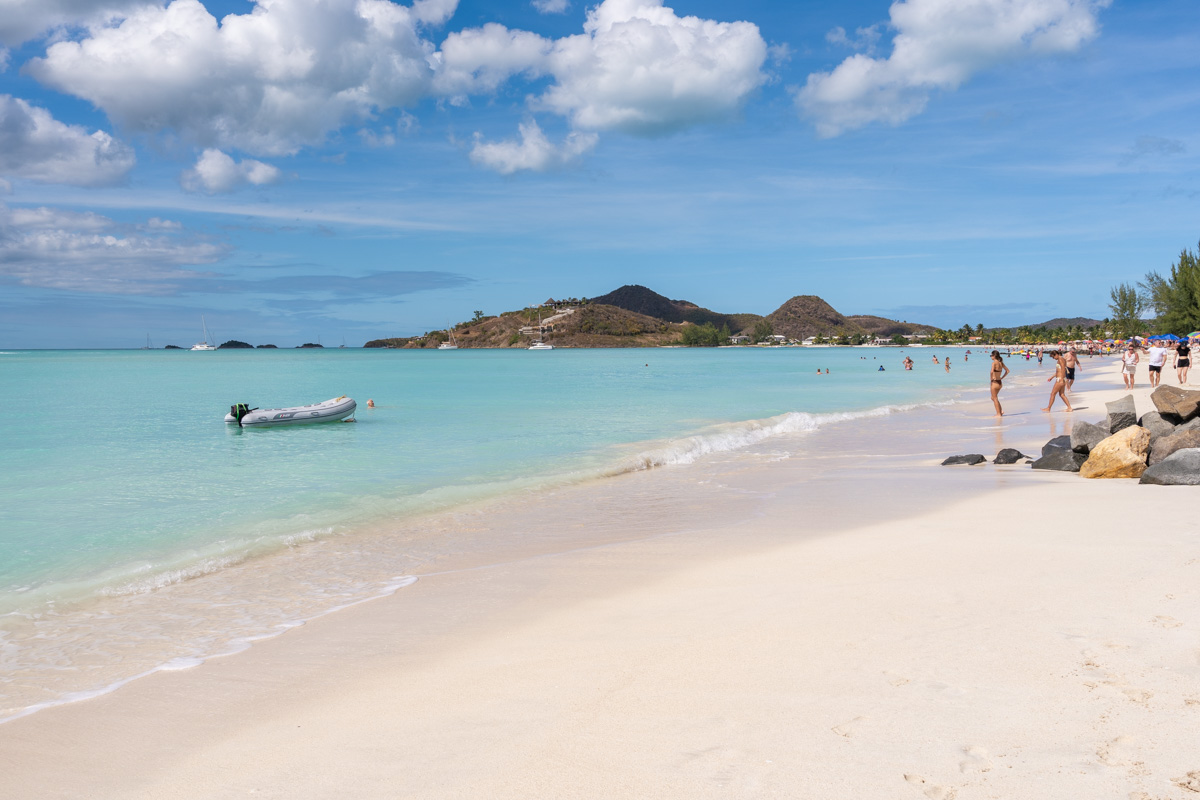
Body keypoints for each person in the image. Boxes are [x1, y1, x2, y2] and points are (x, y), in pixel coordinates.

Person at [990, 350, 1010, 417]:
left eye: (991, 355)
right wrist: (1002, 377)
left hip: (994, 382)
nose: (991, 357)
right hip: (1000, 383)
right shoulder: (1001, 363)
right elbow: (1007, 371)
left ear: (994, 356)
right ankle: (1001, 411)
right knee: (993, 398)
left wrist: (991, 378)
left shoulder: (994, 363)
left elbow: (991, 372)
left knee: (994, 398)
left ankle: (998, 414)